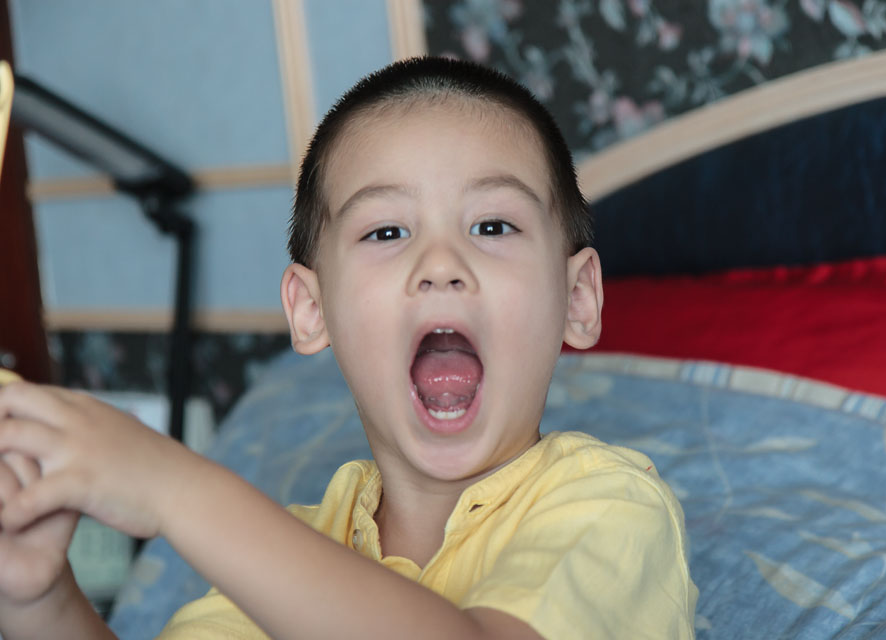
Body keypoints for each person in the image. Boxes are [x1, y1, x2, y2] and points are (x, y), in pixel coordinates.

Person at [0, 57, 697, 639]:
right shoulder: (297, 548)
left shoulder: (609, 504)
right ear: (311, 310)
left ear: (577, 299)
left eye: (492, 225)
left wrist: (174, 488)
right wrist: (40, 599)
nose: (441, 263)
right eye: (386, 232)